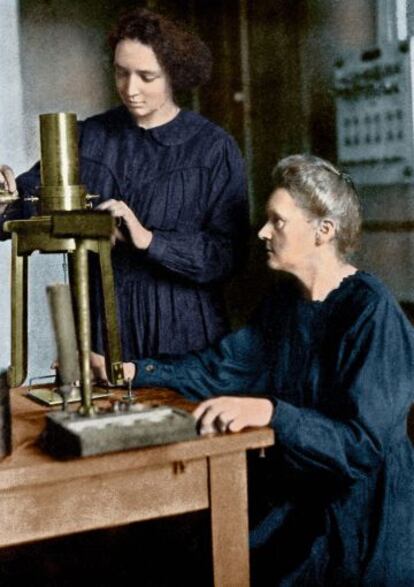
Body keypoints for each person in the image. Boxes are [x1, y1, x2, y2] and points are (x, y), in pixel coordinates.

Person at [114, 154, 414, 586]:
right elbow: (219, 369)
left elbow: (362, 446)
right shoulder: (284, 303)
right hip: (308, 501)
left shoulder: (371, 310)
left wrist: (272, 413)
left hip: (367, 520)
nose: (261, 232)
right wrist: (132, 371)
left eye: (277, 221)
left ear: (322, 231)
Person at [0, 7, 248, 362]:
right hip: (103, 336)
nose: (130, 89)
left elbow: (229, 255)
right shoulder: (87, 138)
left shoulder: (212, 148)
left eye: (147, 76)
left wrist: (148, 239)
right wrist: (5, 199)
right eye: (121, 73)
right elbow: (26, 203)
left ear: (173, 74)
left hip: (186, 338)